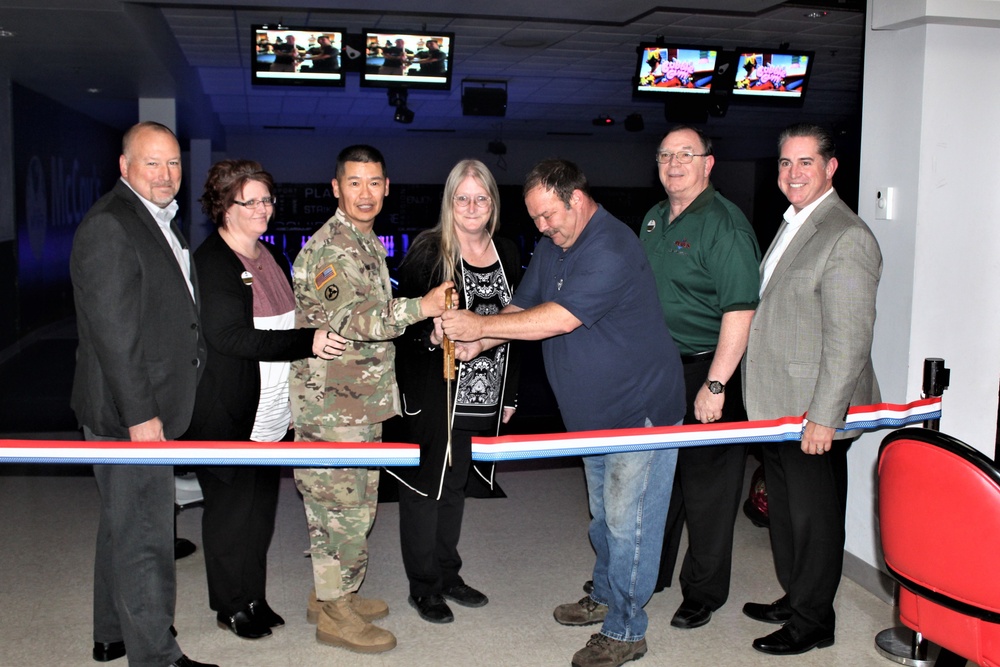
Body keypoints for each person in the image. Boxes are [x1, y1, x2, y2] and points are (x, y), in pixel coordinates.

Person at [441, 159, 685, 667]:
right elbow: (520, 305)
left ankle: (625, 630)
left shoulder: (611, 247)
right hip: (592, 418)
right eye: (534, 220)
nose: (543, 228)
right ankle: (603, 595)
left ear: (576, 198)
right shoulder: (556, 245)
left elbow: (557, 319)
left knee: (628, 523)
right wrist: (480, 338)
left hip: (638, 411)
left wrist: (474, 324)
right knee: (603, 517)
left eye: (549, 215)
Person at [290, 144, 453, 654]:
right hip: (332, 408)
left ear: (386, 186)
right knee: (340, 509)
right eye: (354, 183)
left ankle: (332, 594)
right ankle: (335, 615)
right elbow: (356, 320)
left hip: (357, 401)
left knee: (355, 506)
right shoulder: (331, 249)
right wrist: (422, 307)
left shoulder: (363, 241)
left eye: (375, 183)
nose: (366, 193)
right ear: (336, 188)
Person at [181, 159, 348, 640]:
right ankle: (228, 605)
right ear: (223, 206)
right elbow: (232, 338)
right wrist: (308, 342)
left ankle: (253, 595)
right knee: (230, 516)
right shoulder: (213, 262)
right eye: (249, 201)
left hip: (270, 412)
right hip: (229, 413)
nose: (263, 209)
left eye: (266, 199)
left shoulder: (269, 255)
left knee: (258, 515)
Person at [70, 121, 216, 667]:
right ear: (125, 167)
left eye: (174, 163)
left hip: (141, 405)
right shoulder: (111, 225)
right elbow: (115, 336)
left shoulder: (157, 220)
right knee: (148, 536)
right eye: (152, 163)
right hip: (130, 413)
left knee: (122, 523)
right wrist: (141, 416)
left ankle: (111, 633)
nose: (166, 175)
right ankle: (155, 657)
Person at [741, 123, 882, 655]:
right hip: (779, 405)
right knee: (786, 513)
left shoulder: (847, 235)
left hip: (813, 411)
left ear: (831, 167)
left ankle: (813, 621)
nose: (792, 173)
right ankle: (796, 596)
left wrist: (827, 415)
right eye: (785, 163)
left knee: (814, 520)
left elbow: (850, 340)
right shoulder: (795, 223)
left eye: (805, 163)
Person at [385, 159, 521, 624]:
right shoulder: (428, 252)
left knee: (456, 487)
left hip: (483, 396)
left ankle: (448, 573)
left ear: (493, 203)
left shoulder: (508, 250)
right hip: (433, 392)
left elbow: (517, 324)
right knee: (426, 489)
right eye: (462, 197)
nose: (471, 206)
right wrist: (430, 337)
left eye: (481, 197)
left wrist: (511, 393)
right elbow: (398, 327)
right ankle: (423, 586)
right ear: (449, 202)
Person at [640, 126, 761, 629]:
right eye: (666, 155)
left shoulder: (725, 224)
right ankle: (651, 574)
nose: (674, 164)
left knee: (709, 491)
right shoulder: (653, 219)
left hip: (709, 369)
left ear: (708, 163)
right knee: (660, 483)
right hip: (661, 369)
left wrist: (715, 385)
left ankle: (704, 593)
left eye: (686, 154)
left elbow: (740, 310)